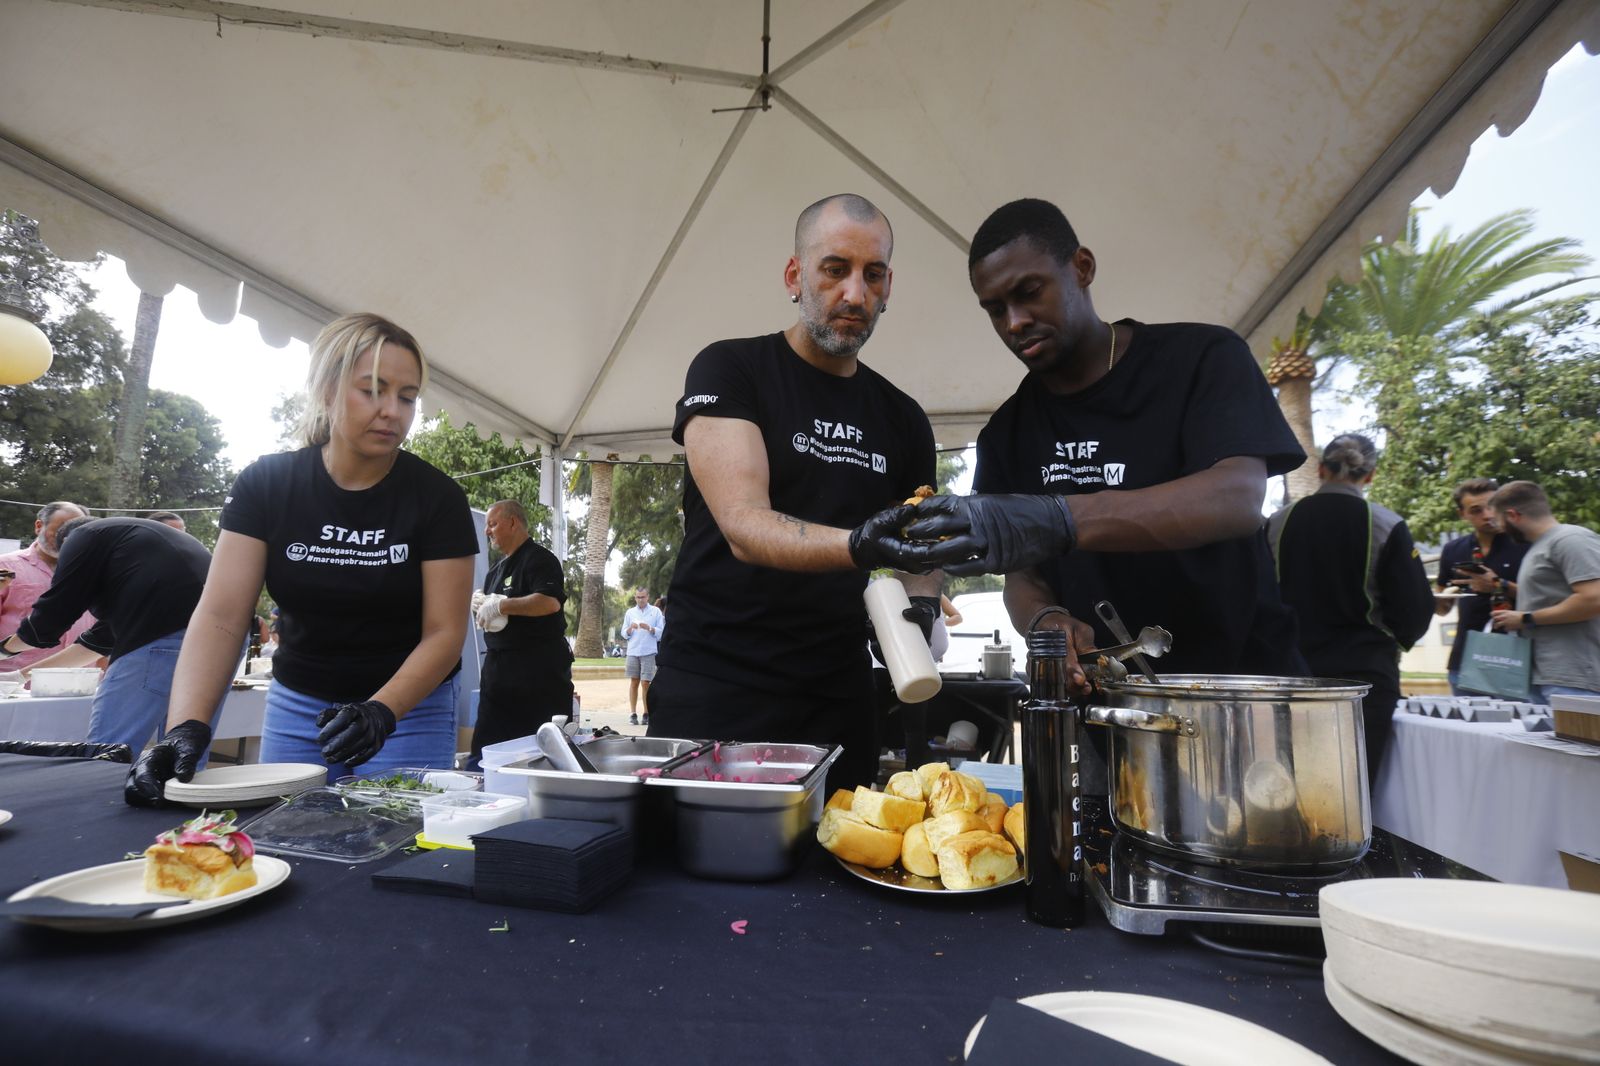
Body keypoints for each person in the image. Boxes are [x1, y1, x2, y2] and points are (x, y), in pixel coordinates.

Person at [882, 198, 1307, 691]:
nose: (1014, 322)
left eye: (1029, 292)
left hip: (1241, 688)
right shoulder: (1007, 434)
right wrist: (1044, 619)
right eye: (995, 310)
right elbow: (1025, 577)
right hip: (1108, 707)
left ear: (1082, 268)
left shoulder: (1202, 359)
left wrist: (1059, 518)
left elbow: (1236, 498)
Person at [649, 193, 942, 790]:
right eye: (835, 270)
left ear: (888, 288)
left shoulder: (903, 417)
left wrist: (925, 600)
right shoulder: (730, 370)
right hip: (717, 690)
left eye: (873, 274)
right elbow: (744, 524)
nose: (855, 294)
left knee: (840, 874)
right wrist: (864, 546)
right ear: (795, 276)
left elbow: (918, 541)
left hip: (840, 696)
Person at [124, 313, 477, 805]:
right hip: (298, 705)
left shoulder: (436, 498)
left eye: (407, 396)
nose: (392, 411)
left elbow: (445, 632)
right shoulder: (267, 485)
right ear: (327, 389)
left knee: (390, 853)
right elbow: (223, 616)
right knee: (288, 838)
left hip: (409, 711)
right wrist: (185, 726)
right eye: (372, 389)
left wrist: (380, 711)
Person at [1267, 435, 1435, 776]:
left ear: (1320, 469)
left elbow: (1257, 594)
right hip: (1364, 675)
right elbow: (1414, 607)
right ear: (1370, 476)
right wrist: (1396, 640)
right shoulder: (1386, 524)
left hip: (1290, 670)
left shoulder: (1277, 523)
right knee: (1351, 784)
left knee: (1290, 777)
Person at [0, 516, 221, 751]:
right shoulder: (139, 559)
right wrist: (20, 676)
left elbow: (54, 614)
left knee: (111, 750)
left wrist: (4, 650)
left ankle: (105, 787)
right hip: (221, 642)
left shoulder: (83, 536)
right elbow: (97, 643)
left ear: (66, 542)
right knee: (183, 753)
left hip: (162, 638)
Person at [470, 498, 572, 761]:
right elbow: (493, 614)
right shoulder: (495, 571)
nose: (487, 531)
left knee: (538, 752)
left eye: (492, 524)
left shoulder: (540, 559)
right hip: (498, 672)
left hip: (537, 673)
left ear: (512, 522)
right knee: (486, 748)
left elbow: (548, 603)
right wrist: (482, 606)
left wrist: (502, 606)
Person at [1486, 481, 1600, 701]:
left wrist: (1527, 618)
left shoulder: (1570, 540)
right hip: (1546, 676)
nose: (1498, 528)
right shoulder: (1540, 546)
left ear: (1513, 515)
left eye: (1497, 520)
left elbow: (1593, 599)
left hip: (1575, 679)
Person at [1433, 478, 1529, 695]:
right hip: (1465, 660)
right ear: (1462, 514)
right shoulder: (1453, 550)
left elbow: (1547, 598)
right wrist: (1433, 600)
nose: (1487, 515)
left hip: (1518, 659)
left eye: (1492, 505)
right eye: (1476, 510)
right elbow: (1442, 608)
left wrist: (1498, 585)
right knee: (1465, 727)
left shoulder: (1526, 543)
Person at [0, 501, 95, 672]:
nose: (67, 539)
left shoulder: (96, 572)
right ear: (38, 526)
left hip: (80, 682)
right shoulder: (5, 567)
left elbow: (102, 629)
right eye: (60, 531)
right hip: (15, 687)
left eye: (77, 533)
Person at [621, 586, 663, 726]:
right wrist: (630, 628)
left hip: (648, 651)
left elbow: (661, 632)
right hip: (633, 651)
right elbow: (623, 633)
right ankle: (633, 713)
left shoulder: (655, 612)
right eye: (638, 597)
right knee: (634, 681)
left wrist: (649, 628)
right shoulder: (630, 612)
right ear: (635, 598)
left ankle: (646, 712)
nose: (640, 600)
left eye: (643, 597)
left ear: (648, 597)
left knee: (646, 683)